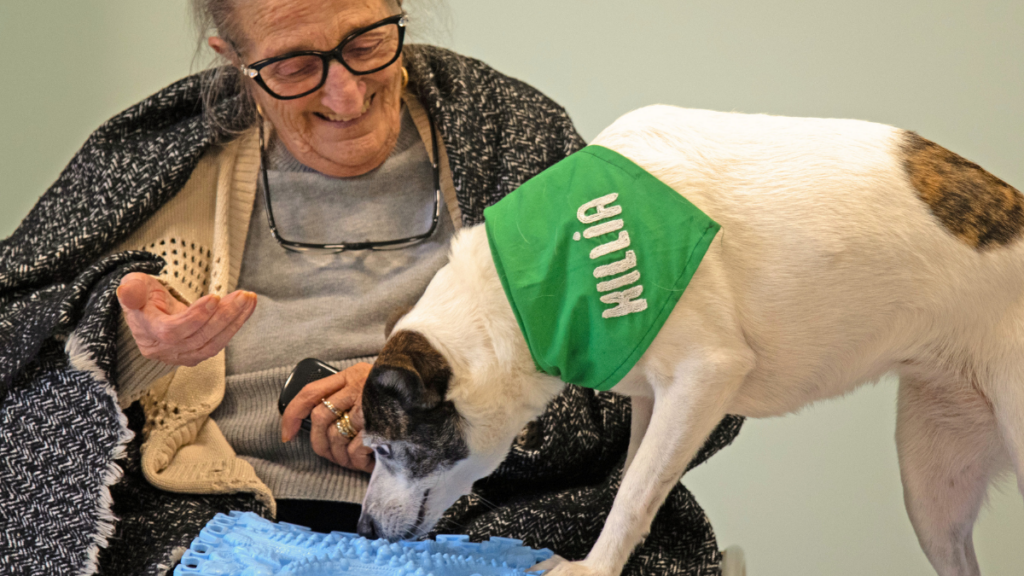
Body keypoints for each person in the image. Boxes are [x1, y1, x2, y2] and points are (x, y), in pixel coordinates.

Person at [0, 0, 744, 574]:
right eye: (296, 66)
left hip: (497, 514)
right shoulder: (150, 156)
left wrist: (444, 411)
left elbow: (679, 363)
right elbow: (17, 343)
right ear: (234, 59)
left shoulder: (511, 134)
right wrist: (124, 343)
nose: (347, 95)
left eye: (366, 44)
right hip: (203, 525)